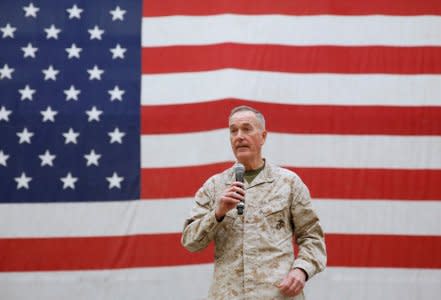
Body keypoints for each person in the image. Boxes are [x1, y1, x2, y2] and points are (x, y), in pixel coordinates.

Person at [181, 105, 326, 299]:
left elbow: (312, 237)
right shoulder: (214, 187)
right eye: (233, 131)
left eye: (247, 129)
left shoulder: (288, 183)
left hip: (276, 294)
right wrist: (218, 213)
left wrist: (301, 270)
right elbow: (190, 242)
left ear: (263, 137)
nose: (239, 136)